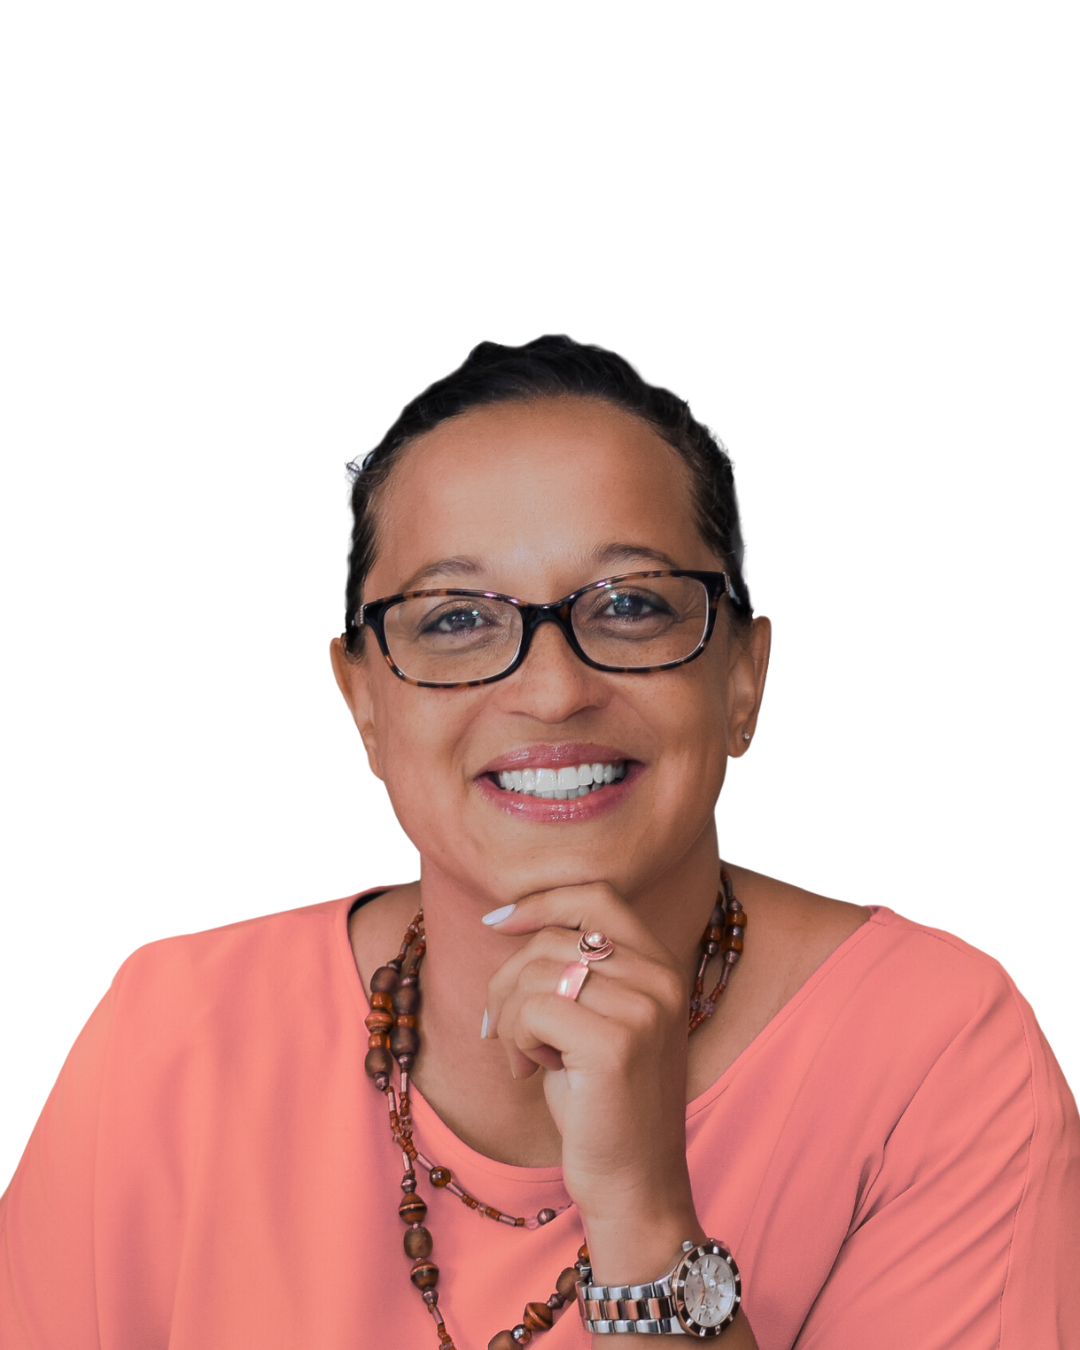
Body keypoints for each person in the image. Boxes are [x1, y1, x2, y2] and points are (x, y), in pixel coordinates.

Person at [3, 337, 1077, 1349]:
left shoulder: (935, 1050)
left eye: (632, 605)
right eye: (457, 618)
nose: (554, 689)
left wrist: (644, 1211)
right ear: (362, 701)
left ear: (746, 675)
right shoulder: (170, 1028)